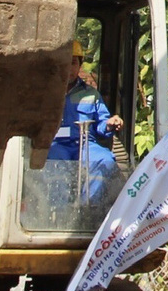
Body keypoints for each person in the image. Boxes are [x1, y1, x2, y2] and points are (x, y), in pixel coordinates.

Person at [49, 42, 122, 199]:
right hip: (57, 144)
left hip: (85, 145)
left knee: (106, 160)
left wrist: (109, 125)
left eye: (73, 62)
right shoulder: (47, 93)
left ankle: (86, 208)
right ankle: (61, 213)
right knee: (53, 160)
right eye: (64, 62)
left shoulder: (91, 94)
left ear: (80, 65)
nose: (69, 67)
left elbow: (102, 124)